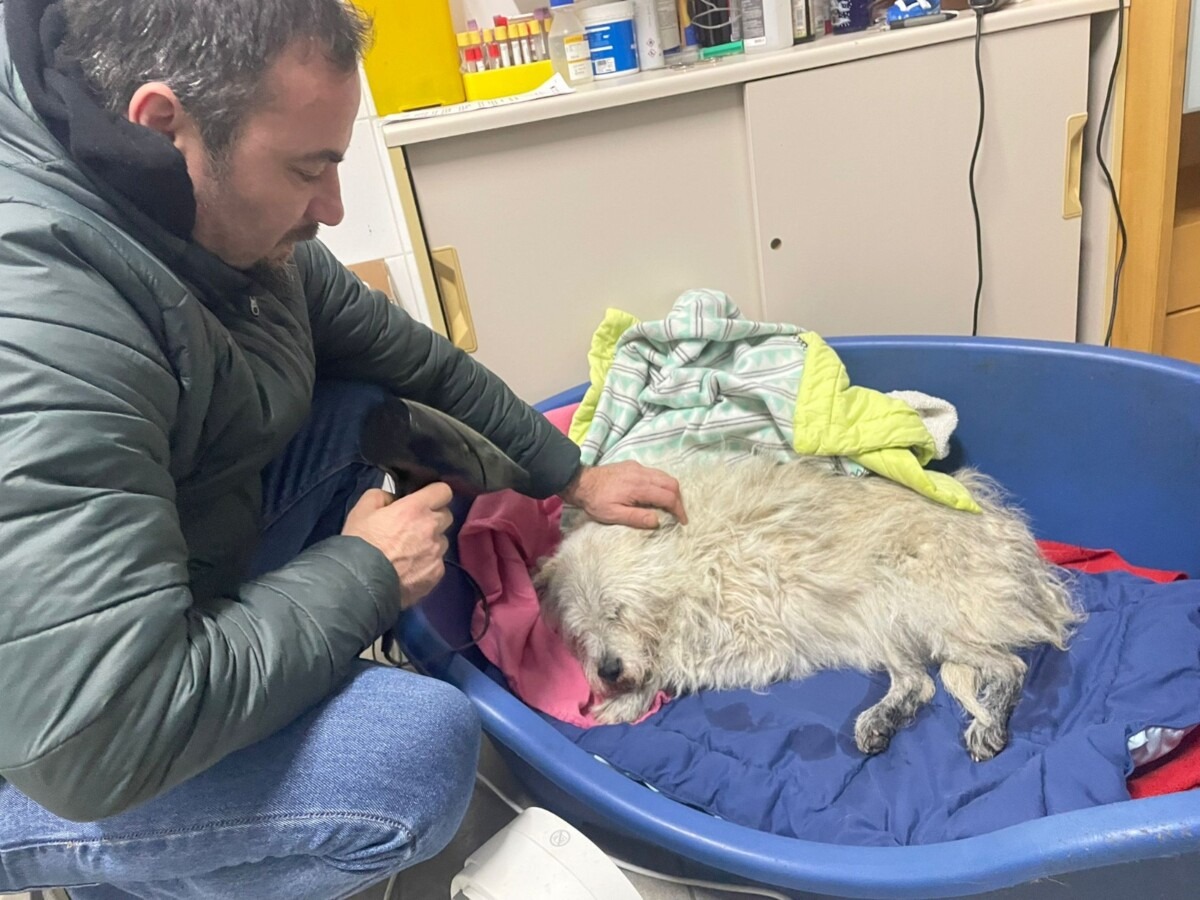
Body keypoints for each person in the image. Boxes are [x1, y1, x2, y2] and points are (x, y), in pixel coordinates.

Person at [0, 0, 687, 896]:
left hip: (127, 587)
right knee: (410, 758)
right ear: (164, 126)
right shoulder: (41, 324)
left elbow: (414, 358)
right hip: (58, 736)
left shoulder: (186, 204)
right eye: (307, 169)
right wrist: (363, 575)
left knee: (366, 412)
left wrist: (573, 476)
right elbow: (94, 739)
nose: (332, 209)